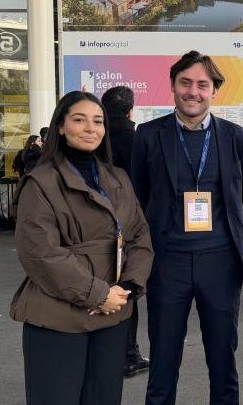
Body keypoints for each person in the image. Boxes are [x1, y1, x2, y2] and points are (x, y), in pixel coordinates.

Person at [9, 91, 154, 405]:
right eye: (79, 119)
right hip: (59, 315)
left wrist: (128, 287)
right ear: (61, 126)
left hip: (113, 313)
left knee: (104, 398)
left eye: (98, 121)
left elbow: (140, 236)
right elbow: (41, 253)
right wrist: (99, 294)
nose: (91, 128)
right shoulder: (41, 182)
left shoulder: (118, 178)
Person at [131, 51, 243, 405]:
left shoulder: (237, 138)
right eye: (185, 82)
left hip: (220, 263)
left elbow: (242, 198)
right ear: (172, 85)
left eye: (202, 84)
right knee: (163, 361)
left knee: (223, 361)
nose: (193, 91)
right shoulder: (148, 135)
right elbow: (139, 196)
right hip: (167, 263)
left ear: (214, 90)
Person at [101, 85, 150, 378]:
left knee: (100, 287)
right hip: (128, 226)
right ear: (130, 111)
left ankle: (108, 354)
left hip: (93, 229)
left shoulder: (95, 139)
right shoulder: (135, 140)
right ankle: (128, 354)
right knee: (127, 287)